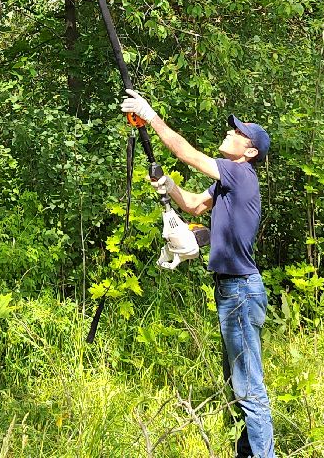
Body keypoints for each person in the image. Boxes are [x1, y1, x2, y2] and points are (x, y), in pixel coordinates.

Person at [121, 90, 274, 458]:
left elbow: (185, 153)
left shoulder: (240, 173)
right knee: (238, 383)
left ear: (249, 152)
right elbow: (192, 205)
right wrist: (170, 188)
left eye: (239, 133)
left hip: (240, 292)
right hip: (232, 293)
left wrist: (150, 115)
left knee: (249, 388)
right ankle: (247, 453)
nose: (230, 133)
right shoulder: (227, 183)